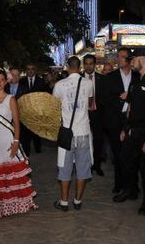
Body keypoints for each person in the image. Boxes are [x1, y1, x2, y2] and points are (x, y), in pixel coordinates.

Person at [113, 48, 145, 216]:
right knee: (125, 162)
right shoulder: (136, 81)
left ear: (143, 60)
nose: (131, 62)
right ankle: (131, 190)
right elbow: (130, 107)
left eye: (133, 59)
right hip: (132, 130)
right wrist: (125, 128)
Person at [0, 68, 37, 219]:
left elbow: (17, 123)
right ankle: (0, 207)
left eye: (1, 79)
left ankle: (16, 205)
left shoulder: (11, 98)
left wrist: (16, 143)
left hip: (8, 140)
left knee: (11, 176)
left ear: (6, 82)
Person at [53, 56, 94, 212]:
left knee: (65, 168)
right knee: (83, 169)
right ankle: (77, 200)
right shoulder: (89, 84)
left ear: (67, 67)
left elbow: (55, 108)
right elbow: (90, 104)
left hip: (66, 133)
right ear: (80, 66)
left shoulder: (59, 85)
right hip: (83, 132)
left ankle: (64, 202)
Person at [103, 47, 139, 194]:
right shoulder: (110, 77)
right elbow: (104, 99)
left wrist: (130, 97)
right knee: (118, 154)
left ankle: (133, 184)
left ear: (129, 59)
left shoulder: (137, 77)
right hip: (115, 121)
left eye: (122, 56)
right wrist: (120, 98)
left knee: (133, 154)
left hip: (132, 120)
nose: (118, 59)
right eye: (118, 56)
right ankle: (119, 184)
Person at [81, 54, 105, 176]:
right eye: (86, 63)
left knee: (98, 140)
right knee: (84, 141)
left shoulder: (102, 79)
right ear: (83, 64)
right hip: (83, 115)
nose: (88, 66)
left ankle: (97, 165)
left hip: (98, 114)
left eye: (91, 63)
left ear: (95, 65)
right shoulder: (79, 79)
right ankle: (87, 165)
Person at [19, 63, 47, 154]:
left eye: (32, 69)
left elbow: (44, 96)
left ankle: (38, 148)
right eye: (28, 69)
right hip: (25, 111)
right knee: (25, 131)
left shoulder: (41, 81)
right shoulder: (22, 81)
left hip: (37, 111)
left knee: (37, 131)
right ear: (26, 71)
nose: (30, 71)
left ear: (35, 70)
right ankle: (26, 150)